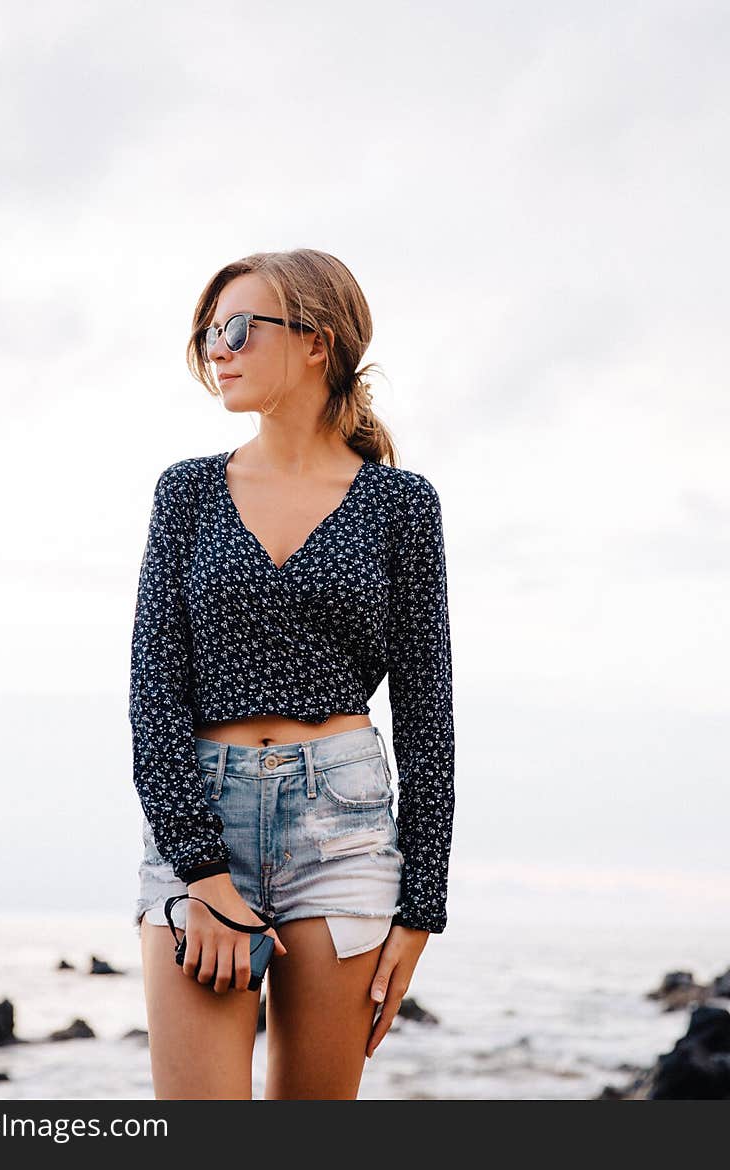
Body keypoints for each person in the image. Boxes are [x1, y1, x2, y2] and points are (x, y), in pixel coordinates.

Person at [128, 248, 455, 1100]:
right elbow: (154, 692)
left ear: (318, 341)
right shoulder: (187, 493)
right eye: (208, 335)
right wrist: (202, 875)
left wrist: (422, 911)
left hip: (342, 832)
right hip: (202, 817)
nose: (217, 351)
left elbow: (427, 715)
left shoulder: (400, 504)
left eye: (238, 328)